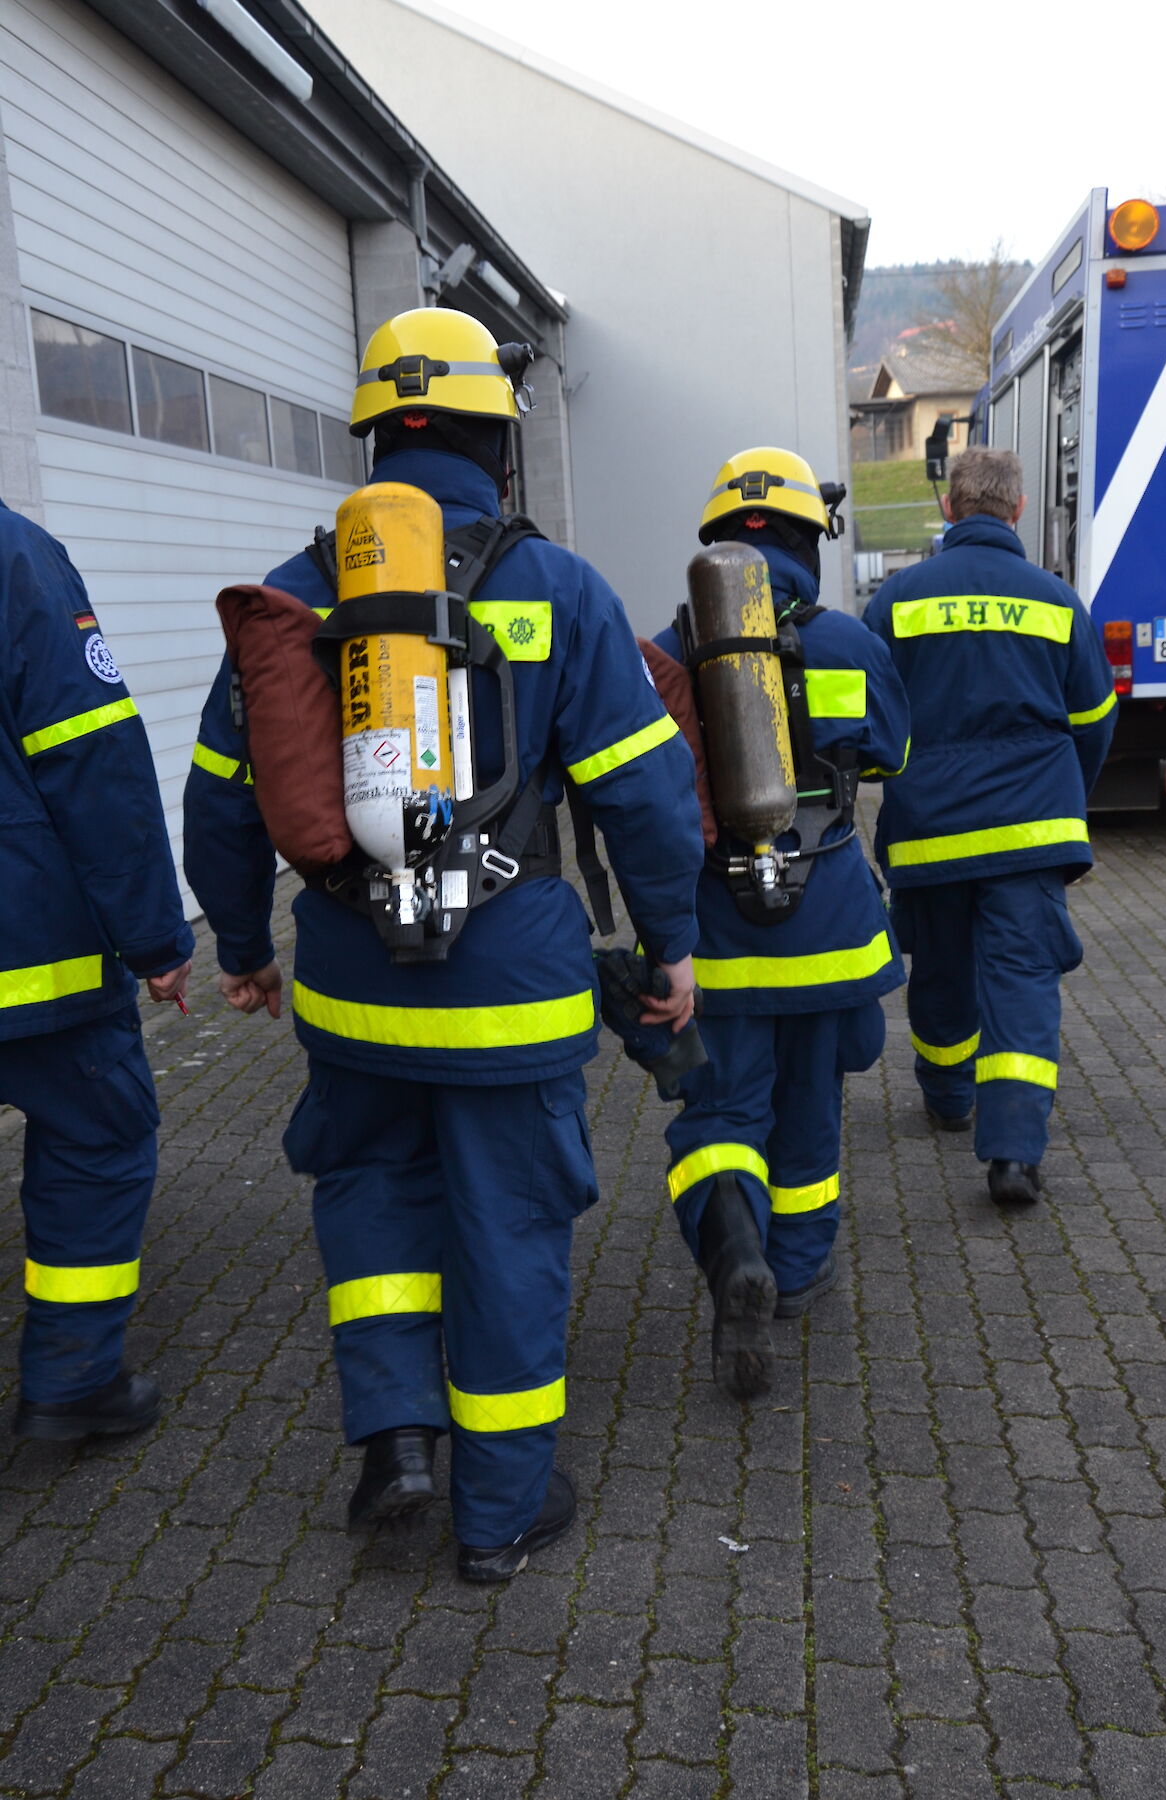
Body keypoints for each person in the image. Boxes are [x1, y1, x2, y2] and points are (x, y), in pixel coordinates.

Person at [183, 308, 702, 1581]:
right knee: (509, 1229)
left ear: (374, 439)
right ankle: (502, 1512)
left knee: (371, 1200)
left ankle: (399, 1444)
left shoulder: (298, 590)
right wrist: (672, 944)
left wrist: (242, 944)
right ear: (496, 442)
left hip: (356, 991)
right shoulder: (563, 590)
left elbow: (218, 792)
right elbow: (641, 794)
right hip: (511, 990)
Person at [652, 448, 911, 1399]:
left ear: (718, 539)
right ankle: (796, 1276)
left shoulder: (671, 648)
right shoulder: (847, 638)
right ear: (811, 532)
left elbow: (647, 792)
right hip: (830, 927)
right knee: (812, 1109)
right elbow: (890, 751)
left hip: (716, 935)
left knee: (719, 1116)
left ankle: (735, 1263)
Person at [863, 447, 1116, 1207]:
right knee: (1022, 984)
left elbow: (868, 717)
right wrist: (1067, 795)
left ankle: (946, 1099)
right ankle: (1013, 1155)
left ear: (950, 508)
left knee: (939, 971)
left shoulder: (897, 601)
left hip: (930, 830)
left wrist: (896, 784)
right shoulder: (1055, 600)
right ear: (1019, 508)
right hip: (1031, 832)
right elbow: (1095, 720)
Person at [0, 501, 193, 1440]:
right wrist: (156, 940)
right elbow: (93, 759)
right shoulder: (15, 556)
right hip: (26, 953)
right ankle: (71, 1378)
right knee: (100, 1132)